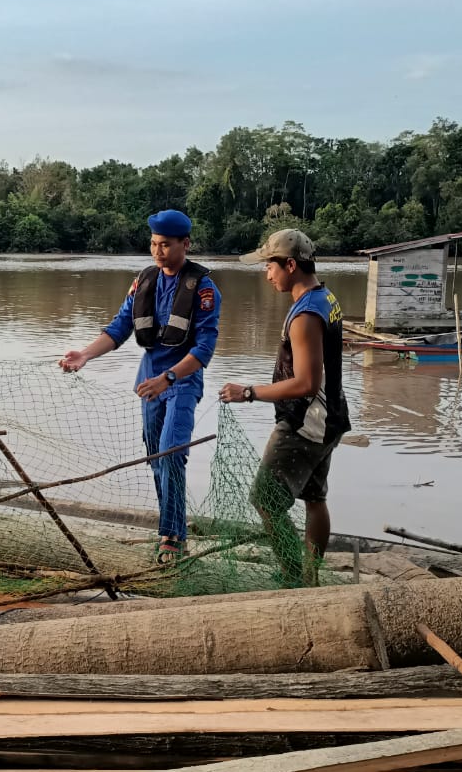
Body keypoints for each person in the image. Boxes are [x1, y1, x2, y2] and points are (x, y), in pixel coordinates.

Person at [60, 210, 221, 562]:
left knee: (171, 454)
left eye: (165, 244)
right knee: (155, 458)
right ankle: (170, 526)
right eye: (153, 244)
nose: (158, 251)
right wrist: (85, 355)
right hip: (149, 381)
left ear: (185, 244)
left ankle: (173, 536)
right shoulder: (144, 281)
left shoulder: (203, 289)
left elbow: (204, 349)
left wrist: (170, 378)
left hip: (181, 381)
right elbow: (119, 328)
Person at [218, 229, 350, 583]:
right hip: (333, 416)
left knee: (264, 500)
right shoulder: (326, 298)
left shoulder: (305, 314)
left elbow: (306, 383)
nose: (267, 273)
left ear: (291, 265)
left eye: (270, 266)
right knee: (314, 497)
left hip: (307, 423)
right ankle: (311, 575)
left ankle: (293, 576)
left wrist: (247, 392)